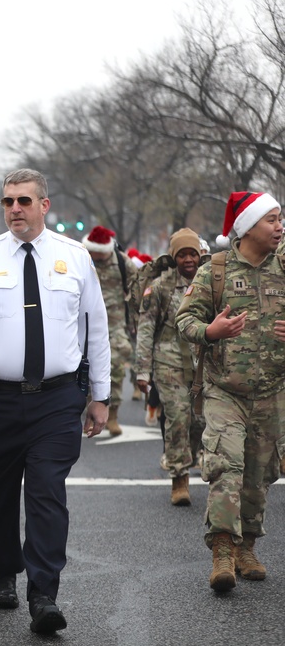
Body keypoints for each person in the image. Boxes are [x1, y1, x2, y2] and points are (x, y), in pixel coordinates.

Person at [0, 169, 110, 634]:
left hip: (56, 399)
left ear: (44, 205)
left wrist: (101, 395)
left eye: (24, 201)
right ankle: (3, 571)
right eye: (8, 201)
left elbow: (96, 329)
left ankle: (43, 594)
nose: (15, 208)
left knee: (47, 493)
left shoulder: (75, 258)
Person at [176, 191, 285, 593]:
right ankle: (222, 552)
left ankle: (247, 549)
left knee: (259, 476)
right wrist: (210, 331)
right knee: (226, 466)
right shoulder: (216, 271)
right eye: (271, 219)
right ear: (248, 228)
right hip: (225, 392)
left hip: (273, 391)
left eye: (280, 219)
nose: (279, 227)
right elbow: (185, 319)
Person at [134, 229, 204, 506]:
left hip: (203, 364)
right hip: (168, 362)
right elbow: (146, 329)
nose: (188, 259)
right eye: (182, 254)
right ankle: (179, 478)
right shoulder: (160, 287)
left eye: (192, 254)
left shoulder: (210, 281)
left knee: (199, 421)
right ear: (174, 257)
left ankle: (189, 457)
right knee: (177, 418)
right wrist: (143, 370)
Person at [83, 225, 135, 435]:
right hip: (85, 322)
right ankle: (88, 410)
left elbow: (136, 288)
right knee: (83, 369)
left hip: (114, 324)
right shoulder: (81, 259)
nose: (96, 257)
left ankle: (113, 414)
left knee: (116, 367)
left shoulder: (123, 262)